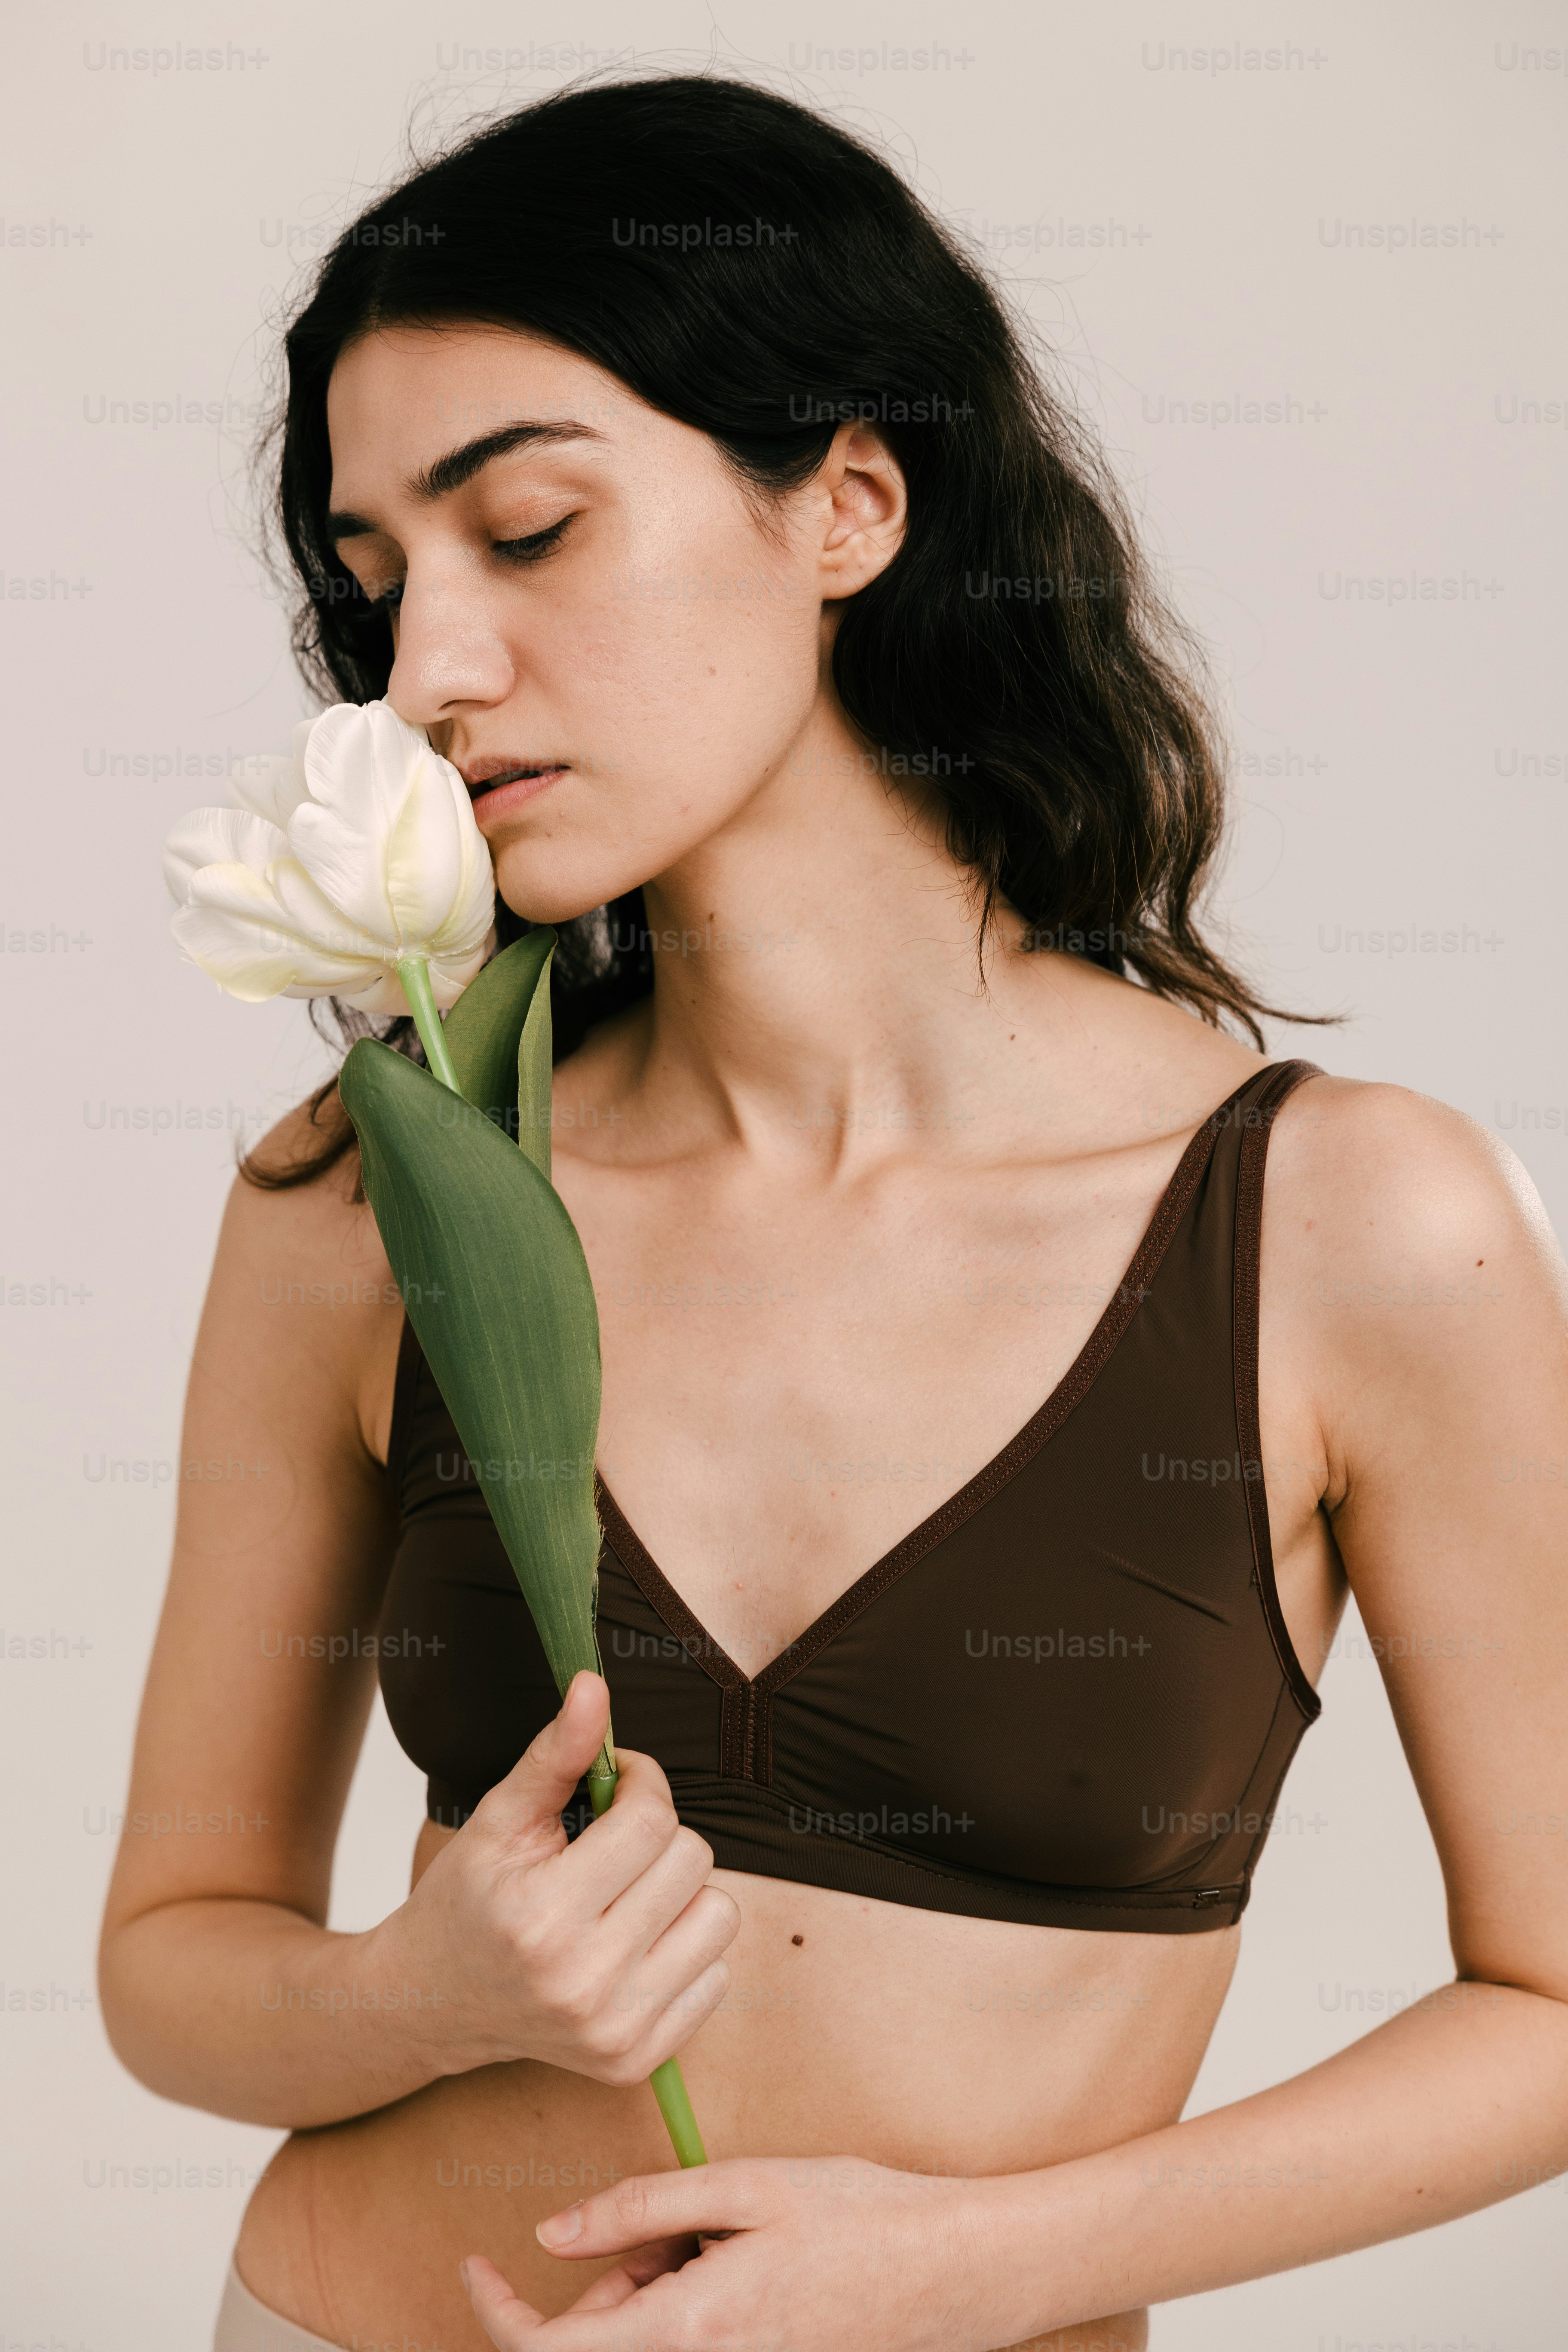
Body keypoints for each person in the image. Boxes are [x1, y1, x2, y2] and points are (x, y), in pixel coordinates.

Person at [98, 74, 1568, 2352]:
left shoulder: (1353, 1227)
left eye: (535, 532)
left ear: (850, 506)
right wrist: (420, 1993)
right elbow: (176, 1960)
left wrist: (983, 2267)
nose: (429, 676)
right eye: (378, 585)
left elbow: (1559, 1998)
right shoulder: (365, 1203)